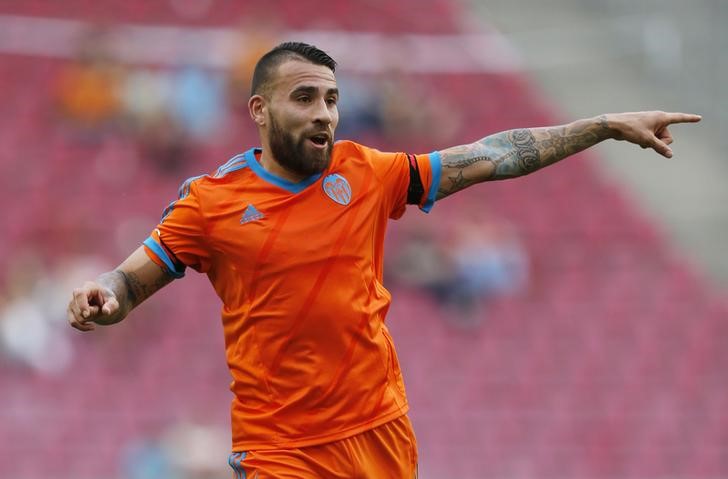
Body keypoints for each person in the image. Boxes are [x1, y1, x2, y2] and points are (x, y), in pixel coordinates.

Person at [67, 41, 701, 478]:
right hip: (281, 448)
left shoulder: (365, 171)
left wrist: (602, 125)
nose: (324, 113)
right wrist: (105, 295)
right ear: (260, 110)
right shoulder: (211, 203)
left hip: (381, 432)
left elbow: (490, 155)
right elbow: (130, 279)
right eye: (305, 97)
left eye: (332, 99)